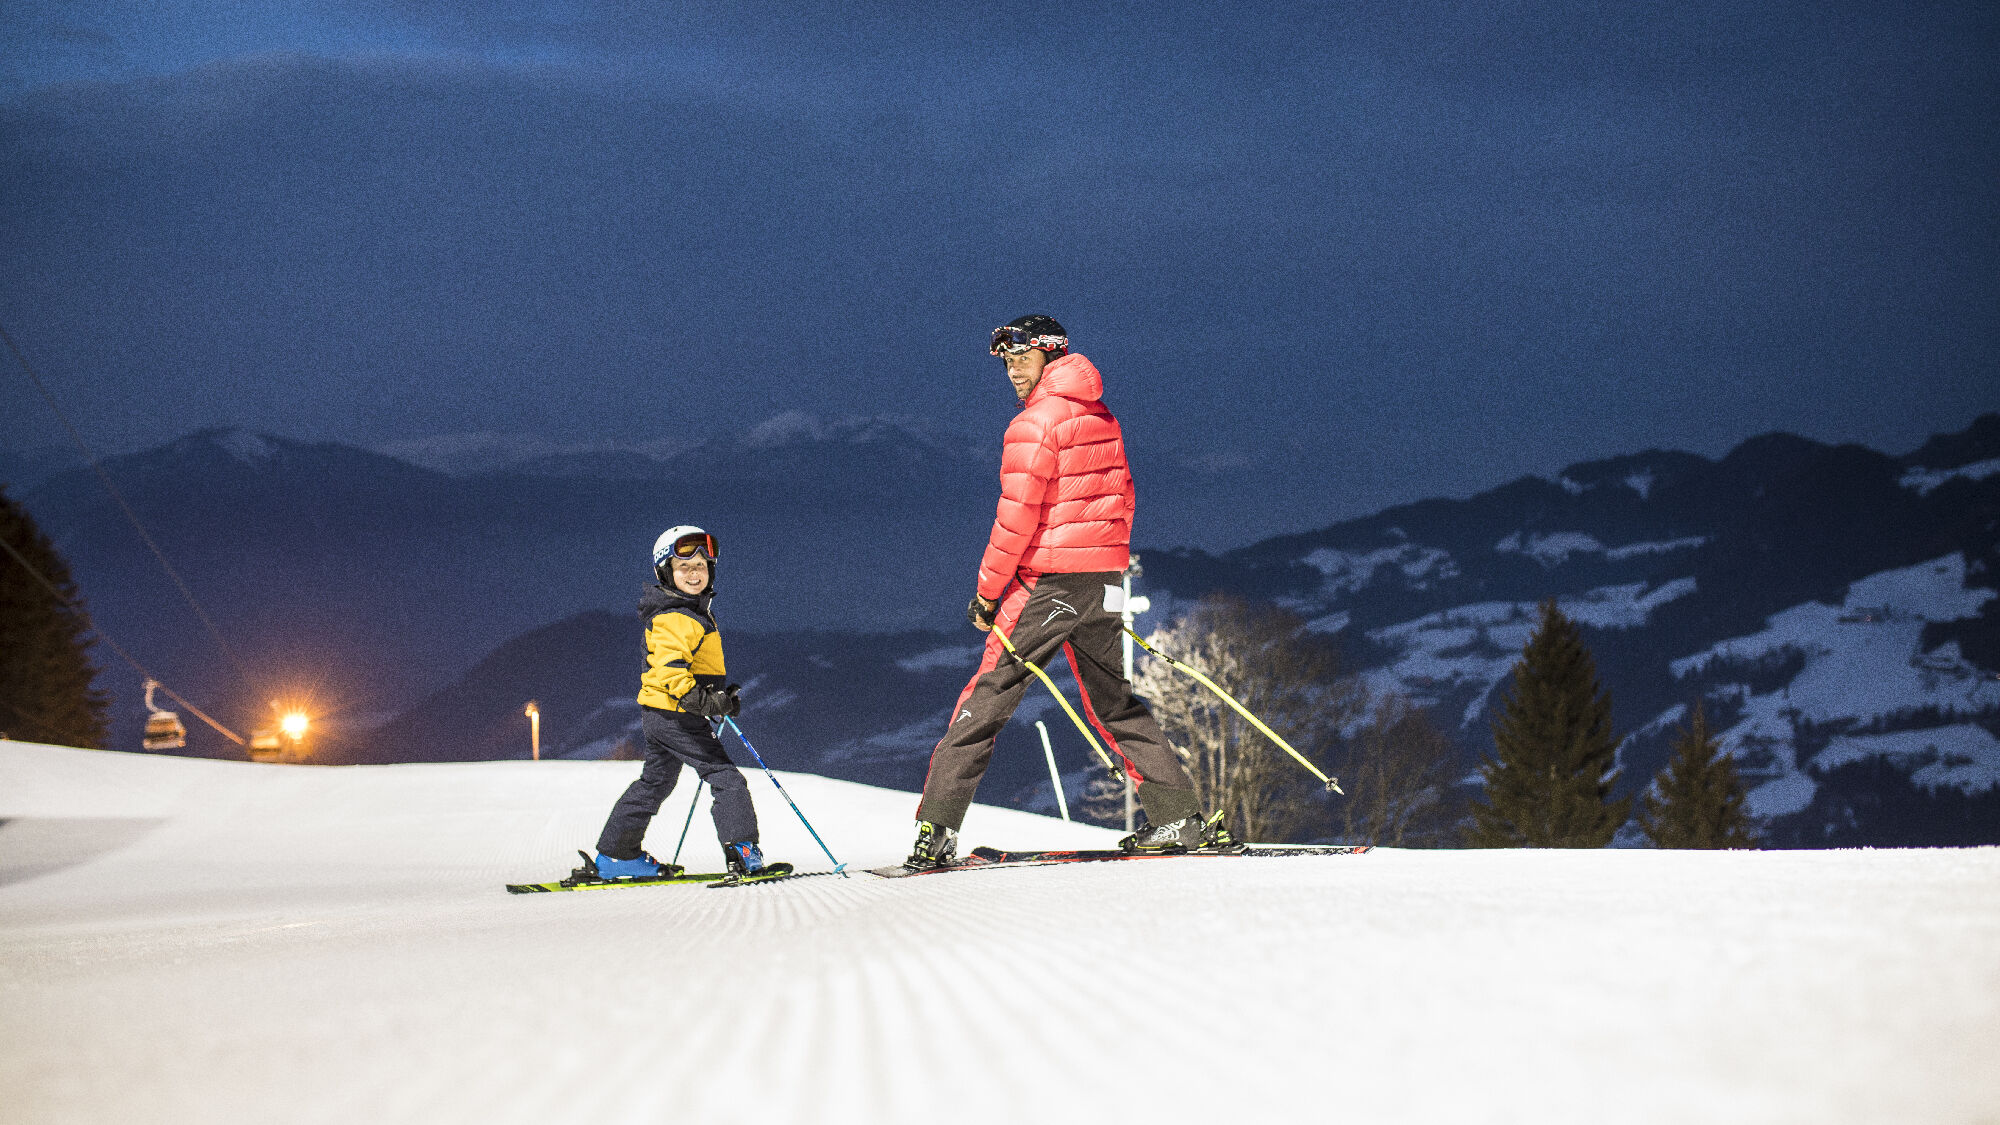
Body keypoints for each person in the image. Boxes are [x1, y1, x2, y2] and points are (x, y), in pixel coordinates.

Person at [905, 315, 1229, 868]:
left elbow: (1015, 520)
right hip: (1102, 580)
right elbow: (1124, 497)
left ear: (1050, 356)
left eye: (1020, 357)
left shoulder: (1035, 423)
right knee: (1113, 701)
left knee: (987, 698)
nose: (1011, 370)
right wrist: (1107, 568)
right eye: (1005, 361)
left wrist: (986, 593)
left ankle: (936, 829)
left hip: (1047, 584)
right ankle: (1177, 818)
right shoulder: (1102, 415)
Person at [591, 525, 779, 880]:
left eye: (701, 566)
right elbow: (670, 671)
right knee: (727, 778)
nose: (694, 574)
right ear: (666, 572)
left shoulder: (686, 612)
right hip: (676, 716)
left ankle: (617, 856)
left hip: (662, 714)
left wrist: (717, 699)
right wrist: (705, 702)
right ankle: (742, 852)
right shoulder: (676, 616)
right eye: (684, 567)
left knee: (655, 783)